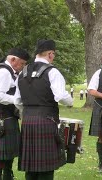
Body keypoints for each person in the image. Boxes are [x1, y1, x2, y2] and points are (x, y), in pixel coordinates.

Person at [14, 39, 73, 180]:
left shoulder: (23, 72)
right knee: (46, 168)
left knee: (30, 166)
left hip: (27, 121)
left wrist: (28, 112)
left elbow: (17, 100)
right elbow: (60, 95)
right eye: (54, 54)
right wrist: (70, 101)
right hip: (46, 121)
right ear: (50, 54)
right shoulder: (53, 72)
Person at [0, 48, 30, 180]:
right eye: (22, 63)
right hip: (1, 119)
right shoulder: (3, 72)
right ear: (13, 59)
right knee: (0, 156)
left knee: (8, 155)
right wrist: (17, 100)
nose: (23, 67)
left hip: (8, 117)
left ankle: (7, 177)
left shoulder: (10, 72)